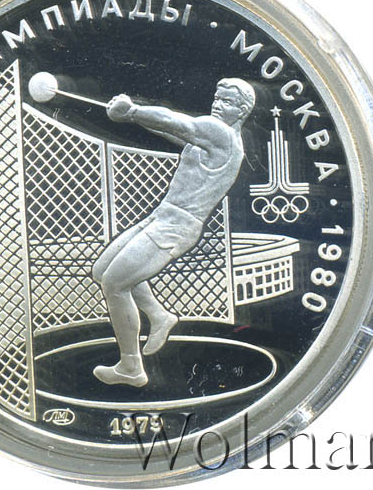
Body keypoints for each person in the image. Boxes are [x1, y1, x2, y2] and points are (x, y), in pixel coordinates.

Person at [92, 78, 256, 387]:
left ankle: (131, 367)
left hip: (177, 225)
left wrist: (133, 110)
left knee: (114, 283)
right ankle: (159, 316)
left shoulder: (220, 133)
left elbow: (175, 121)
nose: (217, 104)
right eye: (217, 97)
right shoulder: (213, 138)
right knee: (101, 271)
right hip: (164, 216)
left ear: (242, 111)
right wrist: (132, 116)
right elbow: (173, 130)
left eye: (227, 102)